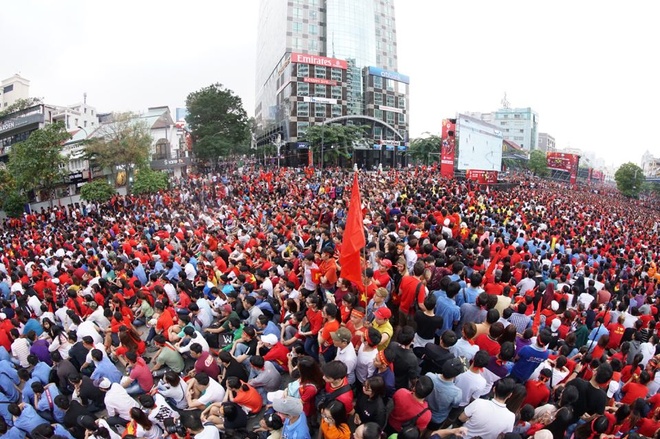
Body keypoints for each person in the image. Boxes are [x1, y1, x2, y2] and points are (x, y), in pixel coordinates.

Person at [425, 357, 464, 431]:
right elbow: (455, 405)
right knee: (430, 432)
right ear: (456, 375)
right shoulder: (457, 393)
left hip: (423, 411)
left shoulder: (429, 376)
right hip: (438, 418)